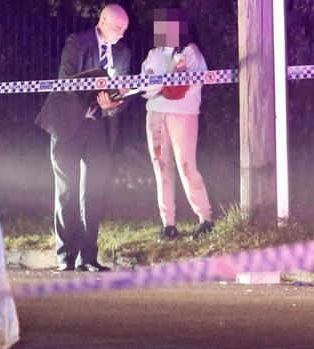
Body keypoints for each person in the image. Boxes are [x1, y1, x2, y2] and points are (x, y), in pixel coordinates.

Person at [35, 4, 131, 272]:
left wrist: (113, 105)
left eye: (124, 30)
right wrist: (96, 88)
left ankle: (88, 257)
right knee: (67, 191)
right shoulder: (77, 42)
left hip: (97, 127)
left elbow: (122, 94)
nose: (121, 34)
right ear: (102, 21)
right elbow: (67, 83)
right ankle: (66, 254)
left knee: (93, 191)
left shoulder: (123, 53)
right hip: (67, 124)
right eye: (116, 28)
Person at [141, 9, 214, 243]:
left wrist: (162, 84)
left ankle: (205, 219)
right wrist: (167, 81)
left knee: (186, 166)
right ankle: (168, 224)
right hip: (155, 114)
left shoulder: (191, 53)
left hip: (183, 114)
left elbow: (188, 87)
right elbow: (146, 88)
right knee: (160, 167)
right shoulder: (154, 53)